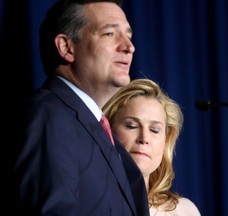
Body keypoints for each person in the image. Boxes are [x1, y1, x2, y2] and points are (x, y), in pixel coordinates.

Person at [12, 0, 149, 215]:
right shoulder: (49, 117)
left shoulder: (96, 128)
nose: (129, 47)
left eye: (129, 36)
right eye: (110, 34)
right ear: (66, 47)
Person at [103, 79, 201, 216]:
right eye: (132, 126)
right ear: (109, 131)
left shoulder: (184, 211)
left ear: (165, 142)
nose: (144, 138)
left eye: (154, 130)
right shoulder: (89, 203)